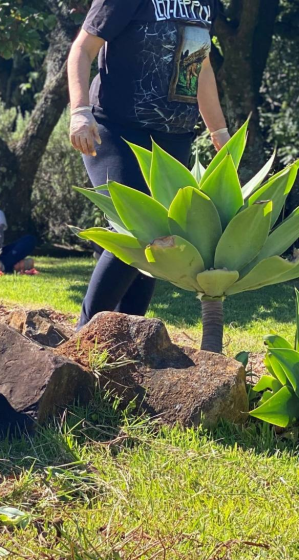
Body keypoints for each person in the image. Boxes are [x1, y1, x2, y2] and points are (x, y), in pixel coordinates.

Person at [68, 0, 229, 328]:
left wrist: (220, 133)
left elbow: (201, 68)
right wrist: (79, 112)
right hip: (115, 130)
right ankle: (84, 336)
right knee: (136, 230)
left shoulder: (204, 3)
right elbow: (81, 50)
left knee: (158, 241)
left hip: (174, 138)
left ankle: (128, 340)